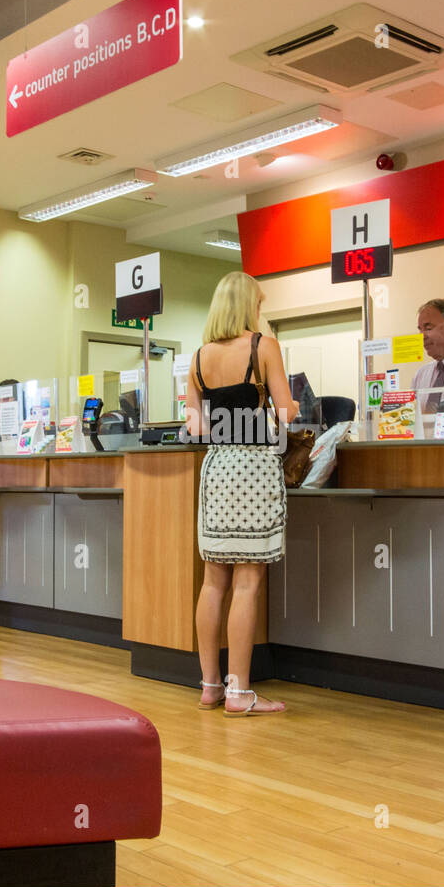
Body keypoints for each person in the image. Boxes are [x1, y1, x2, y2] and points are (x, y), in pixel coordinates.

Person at [186, 272, 298, 716]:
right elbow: (287, 411)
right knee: (247, 582)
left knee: (214, 581)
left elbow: (193, 425)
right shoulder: (262, 346)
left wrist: (223, 424)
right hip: (253, 466)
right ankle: (240, 692)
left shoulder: (197, 358)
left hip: (216, 468)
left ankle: (210, 685)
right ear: (249, 305)